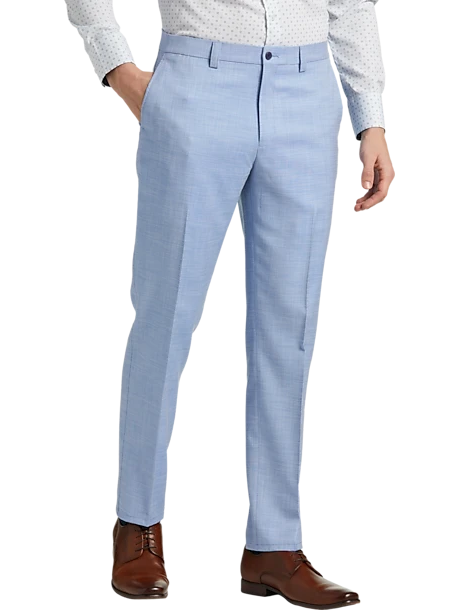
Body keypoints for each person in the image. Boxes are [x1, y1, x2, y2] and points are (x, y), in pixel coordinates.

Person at [66, 0, 394, 605]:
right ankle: (137, 527)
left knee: (289, 327)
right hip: (198, 83)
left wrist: (370, 116)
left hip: (307, 91)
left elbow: (349, 4)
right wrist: (117, 67)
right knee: (165, 316)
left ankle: (274, 546)